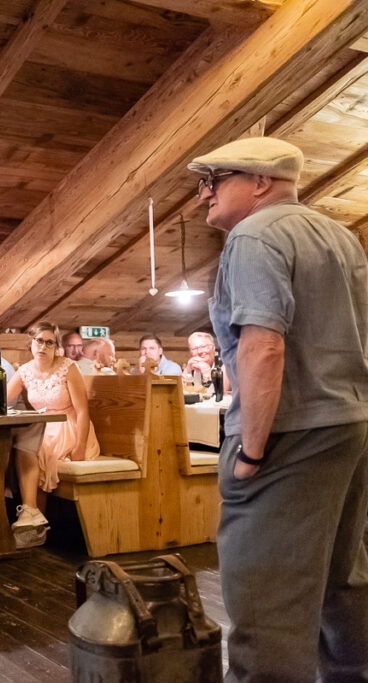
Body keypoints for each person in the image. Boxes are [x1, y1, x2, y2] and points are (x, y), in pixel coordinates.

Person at [191, 136, 368, 680]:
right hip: (349, 425)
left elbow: (263, 345)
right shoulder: (340, 236)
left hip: (288, 433)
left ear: (260, 182)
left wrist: (250, 451)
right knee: (343, 576)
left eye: (213, 181)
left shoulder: (254, 235)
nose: (204, 194)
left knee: (267, 595)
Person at [6, 321, 99, 547]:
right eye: (39, 341)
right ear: (31, 343)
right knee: (22, 443)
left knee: (36, 448)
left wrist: (79, 447)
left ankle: (32, 519)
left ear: (56, 347)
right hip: (43, 426)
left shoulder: (68, 367)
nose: (43, 347)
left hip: (70, 426)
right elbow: (0, 399)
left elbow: (82, 411)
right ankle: (32, 520)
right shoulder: (25, 371)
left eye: (50, 343)